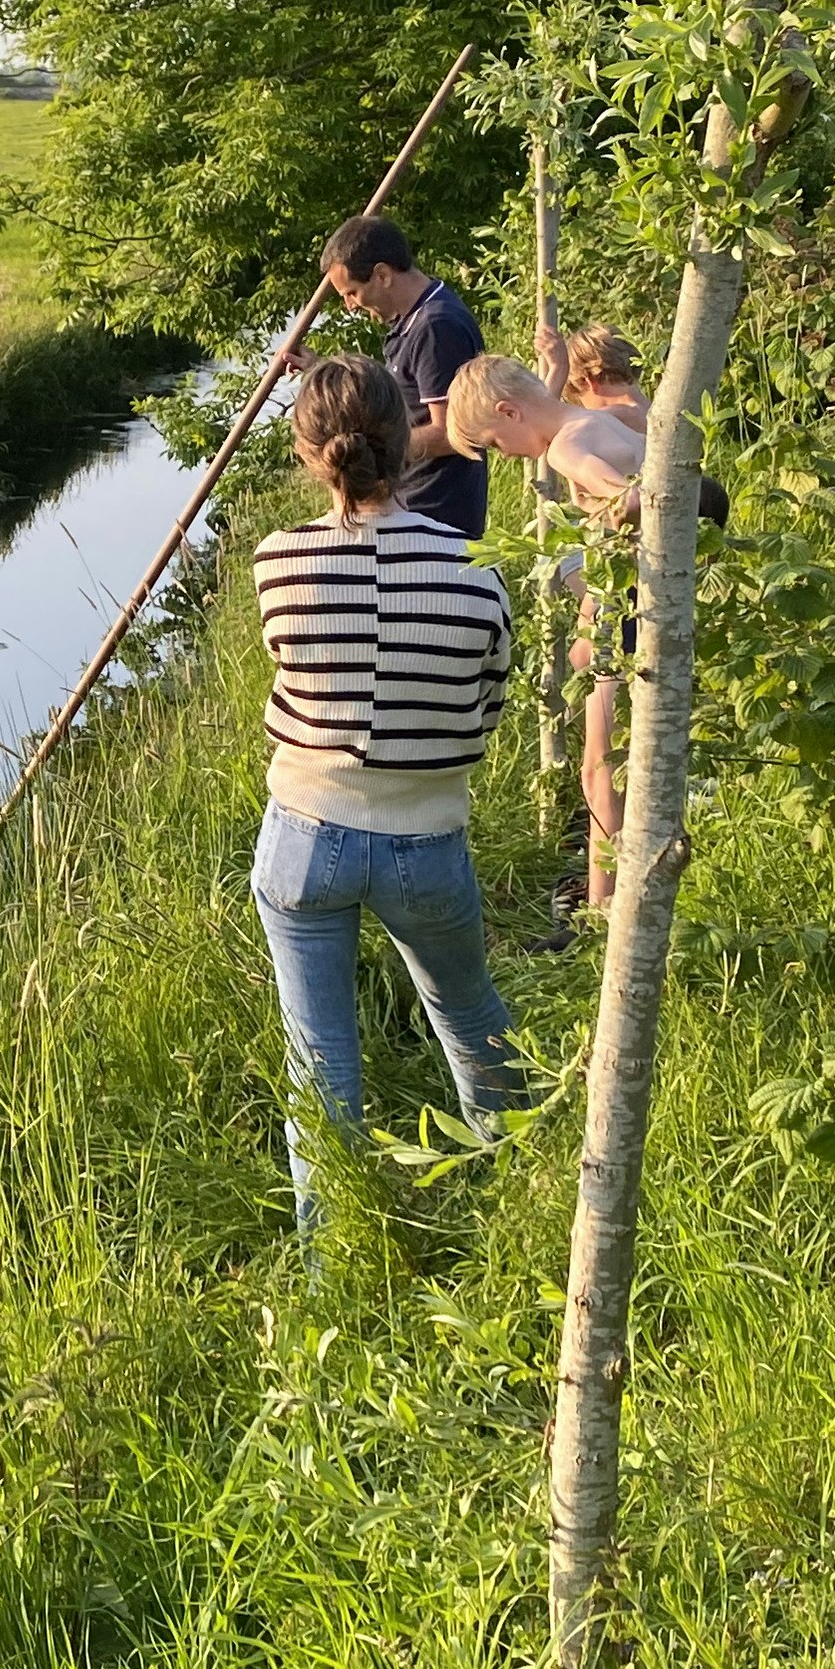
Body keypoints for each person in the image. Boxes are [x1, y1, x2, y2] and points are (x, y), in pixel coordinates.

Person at [249, 354, 522, 1229]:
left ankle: (329, 1258)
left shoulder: (277, 561)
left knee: (318, 1059)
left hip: (304, 833)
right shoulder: (477, 566)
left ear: (307, 452)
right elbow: (489, 702)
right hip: (427, 836)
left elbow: (292, 672)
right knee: (469, 1013)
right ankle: (515, 1194)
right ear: (410, 442)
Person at [442, 337, 658, 914]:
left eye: (495, 443)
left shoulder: (566, 447)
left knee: (599, 770)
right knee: (617, 761)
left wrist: (609, 512)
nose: (506, 454)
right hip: (647, 597)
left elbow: (639, 498)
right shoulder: (593, 421)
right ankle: (608, 898)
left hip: (629, 603)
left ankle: (604, 911)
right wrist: (555, 371)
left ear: (509, 413)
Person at [290, 214, 487, 541]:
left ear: (382, 275)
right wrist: (321, 372)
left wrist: (375, 447)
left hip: (435, 518)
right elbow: (404, 398)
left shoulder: (436, 327)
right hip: (412, 511)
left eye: (352, 292)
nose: (350, 306)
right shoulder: (414, 320)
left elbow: (453, 433)